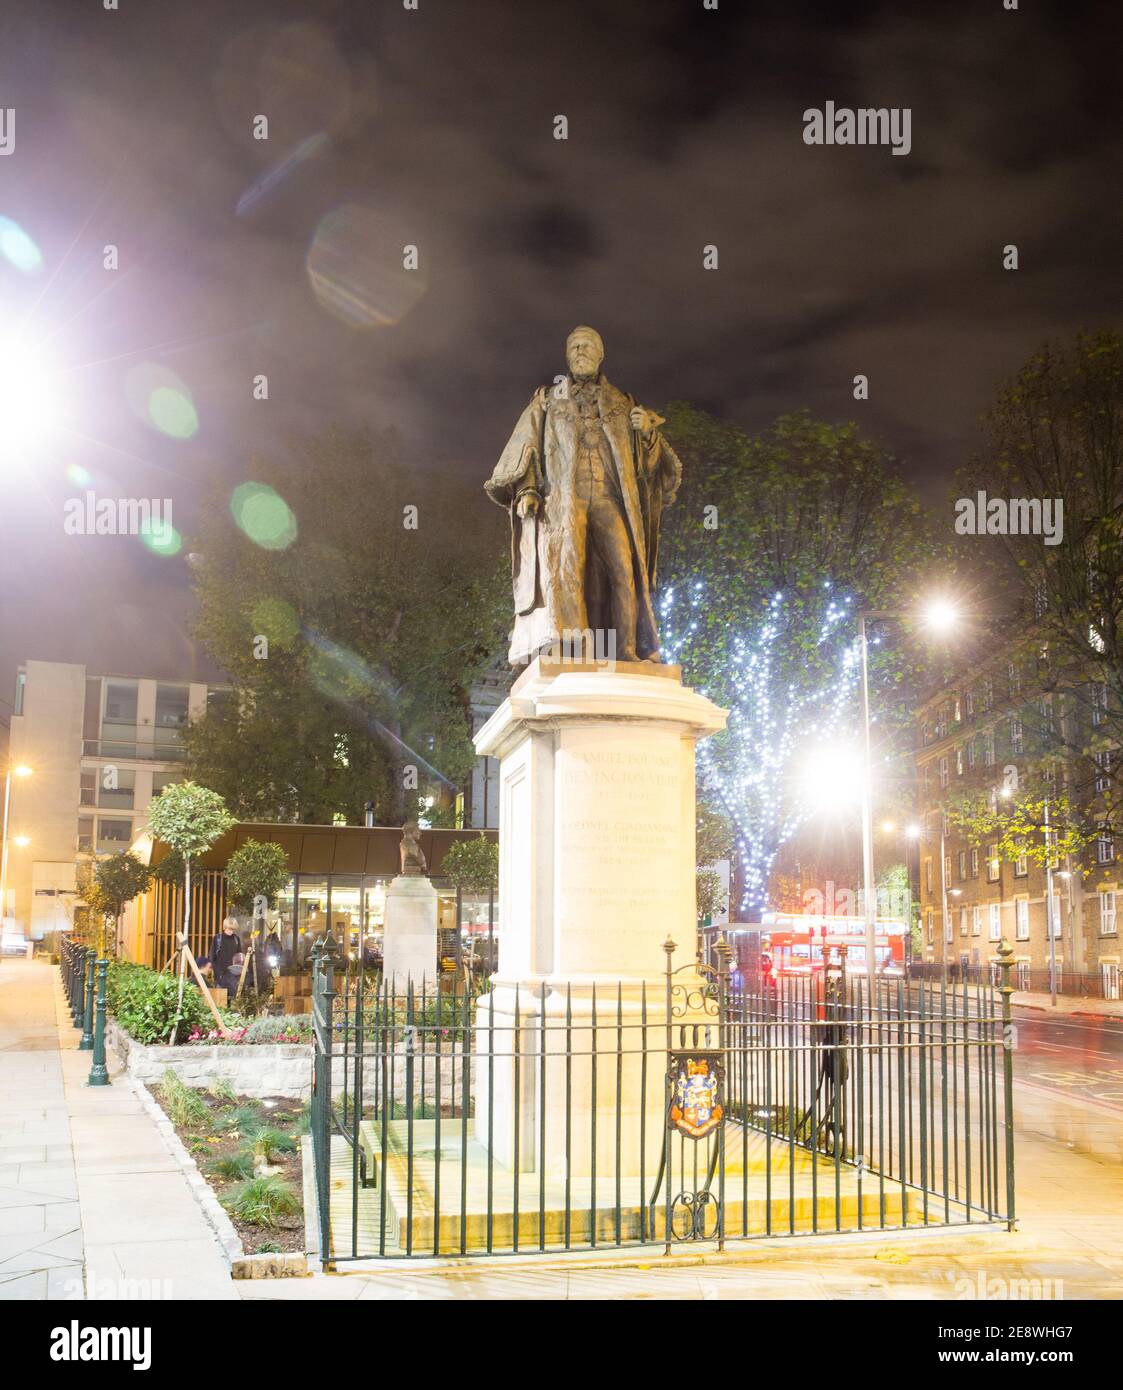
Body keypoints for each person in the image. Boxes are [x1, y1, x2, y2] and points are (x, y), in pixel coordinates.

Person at [207, 916, 242, 997]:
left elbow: (239, 956)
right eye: (229, 929)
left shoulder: (236, 939)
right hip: (220, 974)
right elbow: (211, 955)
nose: (231, 931)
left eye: (233, 929)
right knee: (220, 998)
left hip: (233, 975)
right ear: (224, 927)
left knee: (232, 998)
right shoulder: (218, 938)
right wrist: (210, 970)